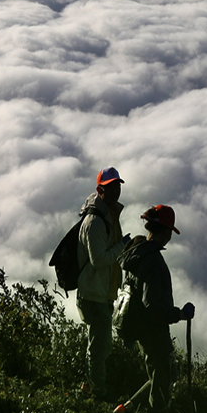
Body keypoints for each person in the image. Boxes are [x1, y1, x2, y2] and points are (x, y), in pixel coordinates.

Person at [112, 204, 194, 413]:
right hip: (154, 332)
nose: (170, 236)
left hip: (140, 328)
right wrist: (180, 314)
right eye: (170, 231)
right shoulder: (153, 261)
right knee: (162, 381)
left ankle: (126, 410)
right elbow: (153, 306)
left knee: (164, 374)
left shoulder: (136, 252)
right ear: (165, 231)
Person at [75, 167, 130, 401]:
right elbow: (98, 260)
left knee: (99, 344)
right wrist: (122, 247)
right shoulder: (96, 222)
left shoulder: (106, 215)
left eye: (118, 185)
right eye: (111, 186)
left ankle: (95, 387)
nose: (116, 190)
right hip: (94, 295)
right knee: (99, 348)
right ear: (100, 190)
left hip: (99, 293)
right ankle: (99, 394)